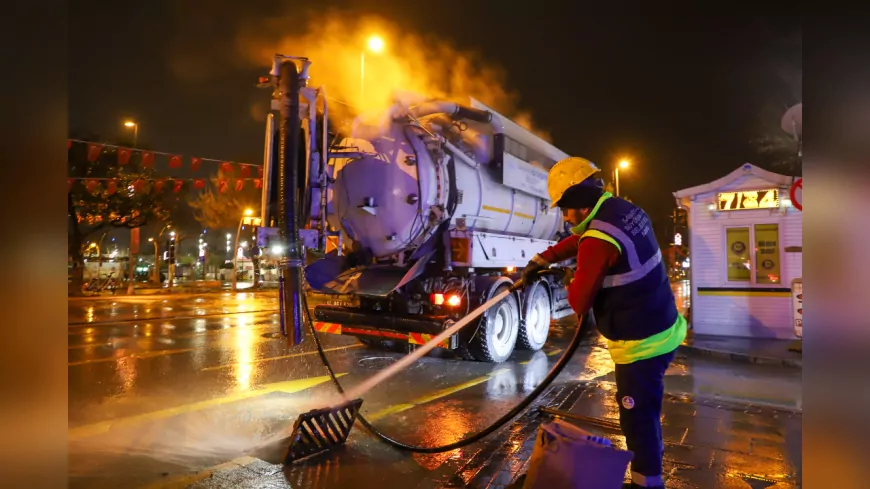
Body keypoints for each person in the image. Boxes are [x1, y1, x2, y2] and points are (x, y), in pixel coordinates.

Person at [520, 157, 687, 489]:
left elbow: (580, 301)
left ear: (579, 205)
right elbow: (584, 236)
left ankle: (647, 484)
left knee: (637, 417)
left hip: (641, 344)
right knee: (645, 413)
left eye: (565, 209)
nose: (565, 216)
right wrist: (543, 258)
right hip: (665, 324)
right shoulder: (623, 210)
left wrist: (571, 276)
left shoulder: (597, 241)